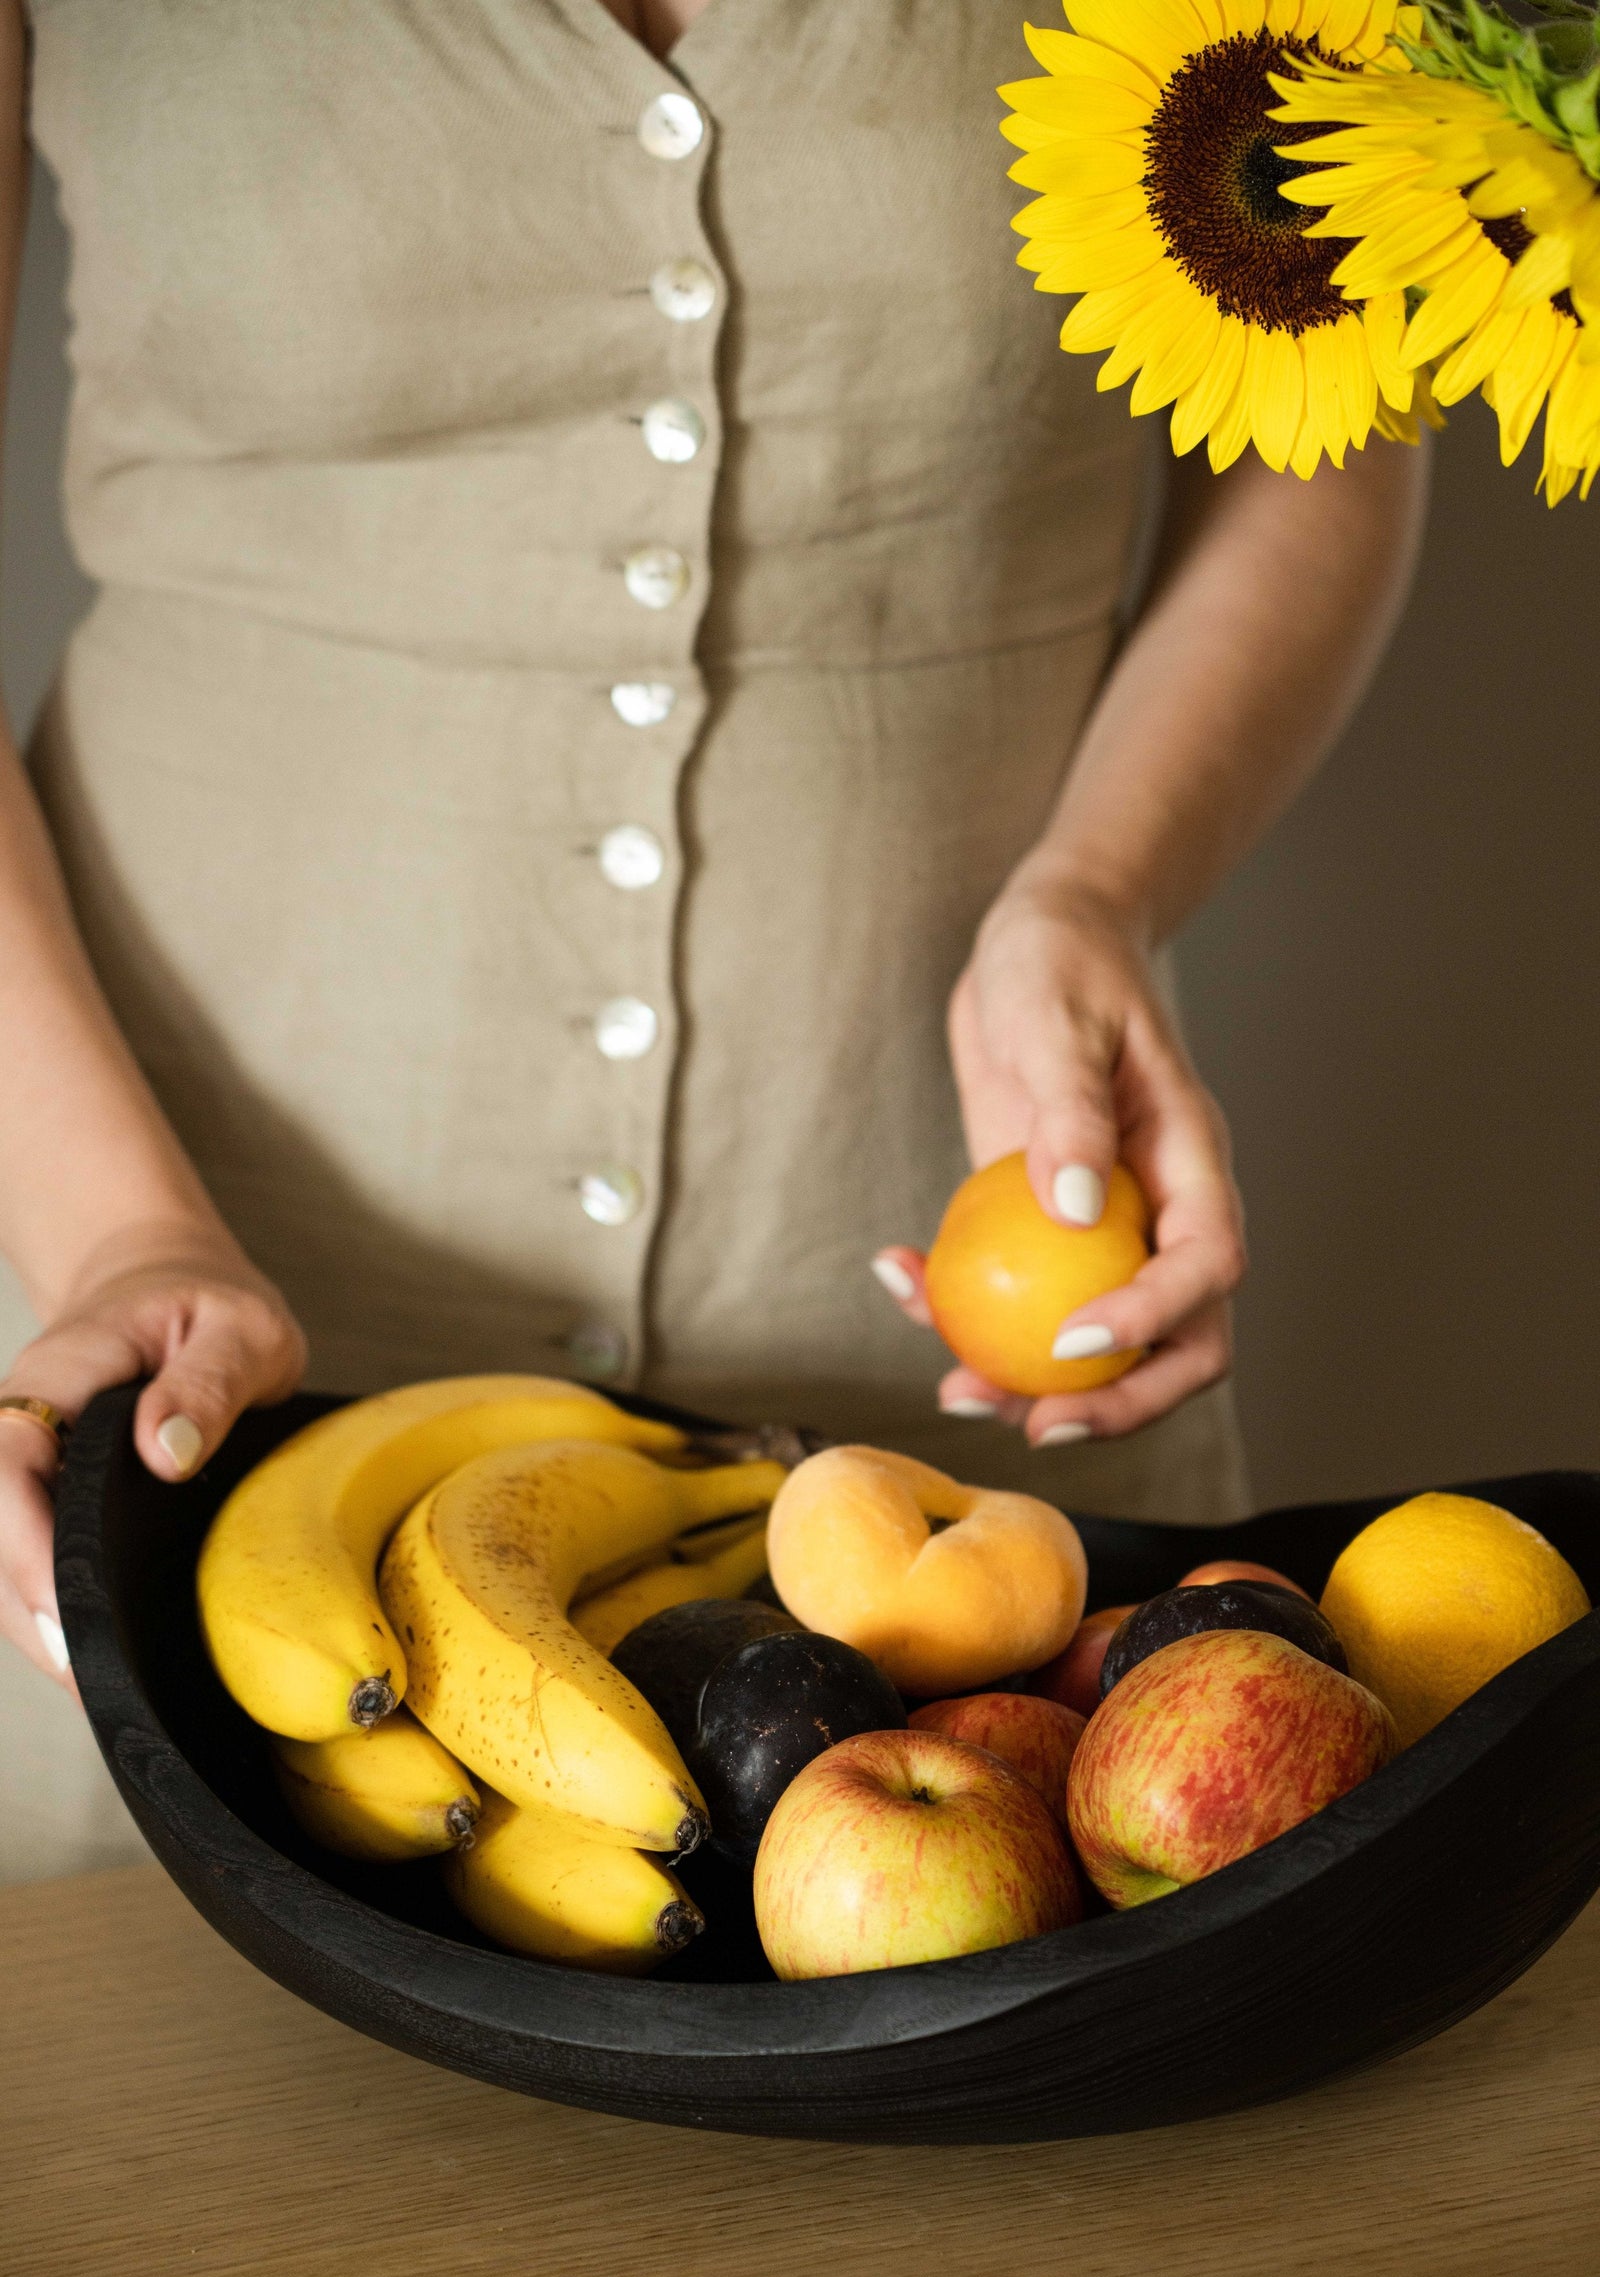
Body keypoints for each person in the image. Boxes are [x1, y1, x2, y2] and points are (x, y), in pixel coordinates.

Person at [0, 0, 1426, 1879]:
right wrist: (121, 1227)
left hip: (968, 1338)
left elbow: (1314, 451)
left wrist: (1099, 885)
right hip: (168, 1307)